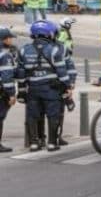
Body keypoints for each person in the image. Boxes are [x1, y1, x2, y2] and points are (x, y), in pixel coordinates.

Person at [16, 20, 74, 152]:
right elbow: (62, 72)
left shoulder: (24, 50)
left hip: (33, 89)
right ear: (49, 34)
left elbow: (21, 73)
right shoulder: (55, 49)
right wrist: (67, 87)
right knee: (53, 115)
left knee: (33, 115)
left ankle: (34, 143)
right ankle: (52, 143)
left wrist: (21, 91)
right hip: (51, 90)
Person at [0, 28, 17, 152]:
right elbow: (7, 77)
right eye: (10, 38)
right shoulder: (5, 55)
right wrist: (11, 94)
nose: (11, 40)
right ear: (4, 39)